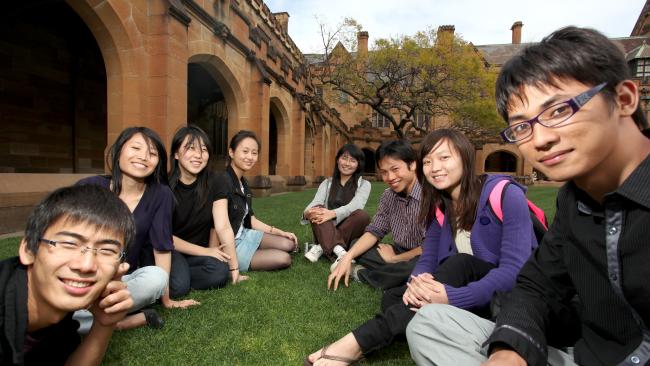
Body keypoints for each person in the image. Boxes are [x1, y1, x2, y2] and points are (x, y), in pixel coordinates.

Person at [407, 26, 650, 366]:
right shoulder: (573, 200)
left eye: (559, 110)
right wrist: (509, 348)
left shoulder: (503, 194)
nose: (540, 139)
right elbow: (536, 286)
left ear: (623, 99)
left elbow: (510, 272)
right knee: (430, 325)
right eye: (522, 126)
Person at [306, 129, 537, 365]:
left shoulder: (505, 194)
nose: (435, 167)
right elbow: (428, 257)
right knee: (394, 298)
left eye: (444, 158)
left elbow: (513, 272)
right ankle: (427, 317)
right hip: (454, 276)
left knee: (456, 264)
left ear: (465, 157)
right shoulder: (441, 204)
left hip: (510, 299)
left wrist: (452, 295)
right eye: (428, 161)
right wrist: (416, 283)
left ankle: (357, 343)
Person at [76, 127, 198, 331]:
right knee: (60, 309)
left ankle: (87, 319)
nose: (143, 157)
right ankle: (124, 321)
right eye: (136, 148)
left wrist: (166, 300)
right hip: (83, 274)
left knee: (156, 278)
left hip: (121, 281)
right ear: (119, 151)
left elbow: (162, 247)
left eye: (152, 153)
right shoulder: (89, 187)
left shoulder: (161, 194)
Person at [0, 185, 134, 365]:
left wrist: (104, 324)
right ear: (28, 250)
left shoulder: (59, 321)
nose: (86, 265)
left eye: (107, 250)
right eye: (69, 244)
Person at [327, 140, 425, 291]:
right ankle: (396, 274)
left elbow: (431, 247)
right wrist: (347, 257)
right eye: (384, 172)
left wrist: (394, 259)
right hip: (398, 250)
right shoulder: (388, 196)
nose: (390, 177)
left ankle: (362, 274)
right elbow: (375, 230)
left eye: (395, 169)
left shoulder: (430, 196)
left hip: (422, 255)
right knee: (355, 246)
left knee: (420, 266)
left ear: (412, 165)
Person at [213, 130, 298, 284]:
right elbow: (222, 228)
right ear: (231, 152)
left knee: (289, 244)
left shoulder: (243, 183)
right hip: (231, 244)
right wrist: (234, 269)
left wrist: (280, 232)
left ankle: (257, 250)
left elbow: (250, 220)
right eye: (245, 151)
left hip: (245, 234)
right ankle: (250, 255)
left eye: (254, 153)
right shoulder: (222, 180)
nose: (250, 157)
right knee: (284, 259)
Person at [168, 126, 230, 297]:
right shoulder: (163, 186)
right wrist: (207, 252)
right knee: (179, 288)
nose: (198, 155)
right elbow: (163, 236)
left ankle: (179, 275)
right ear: (176, 154)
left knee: (220, 271)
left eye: (204, 150)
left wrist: (233, 267)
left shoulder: (215, 181)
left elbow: (219, 225)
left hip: (196, 254)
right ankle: (175, 277)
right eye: (190, 148)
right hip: (169, 250)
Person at [302, 143, 371, 263]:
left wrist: (332, 213)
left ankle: (321, 248)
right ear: (338, 159)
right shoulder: (327, 183)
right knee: (316, 208)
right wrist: (308, 213)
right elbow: (315, 202)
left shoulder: (365, 184)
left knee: (362, 215)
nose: (347, 164)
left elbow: (355, 206)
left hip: (350, 229)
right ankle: (340, 251)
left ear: (358, 164)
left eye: (352, 160)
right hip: (325, 226)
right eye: (344, 158)